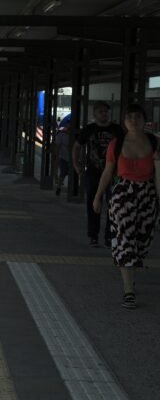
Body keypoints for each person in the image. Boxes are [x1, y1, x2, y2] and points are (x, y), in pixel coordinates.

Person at [92, 104, 159, 309]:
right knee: (124, 238)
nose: (133, 120)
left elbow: (159, 176)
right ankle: (128, 289)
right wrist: (98, 197)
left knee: (142, 240)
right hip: (123, 194)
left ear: (144, 119)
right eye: (129, 117)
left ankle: (131, 271)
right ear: (124, 121)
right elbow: (107, 172)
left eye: (137, 116)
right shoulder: (117, 144)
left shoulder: (155, 142)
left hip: (148, 195)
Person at [73, 102, 123, 247]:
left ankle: (109, 235)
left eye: (106, 112)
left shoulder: (117, 130)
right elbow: (76, 146)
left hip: (113, 173)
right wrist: (76, 164)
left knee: (112, 205)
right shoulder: (89, 130)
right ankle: (93, 236)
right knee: (93, 204)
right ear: (95, 114)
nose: (104, 114)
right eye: (101, 112)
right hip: (93, 173)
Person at [52, 123, 70, 196]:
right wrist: (56, 155)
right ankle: (59, 187)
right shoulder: (62, 134)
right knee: (63, 173)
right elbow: (57, 146)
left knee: (63, 173)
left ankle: (59, 187)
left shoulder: (62, 134)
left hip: (67, 157)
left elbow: (57, 145)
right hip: (64, 157)